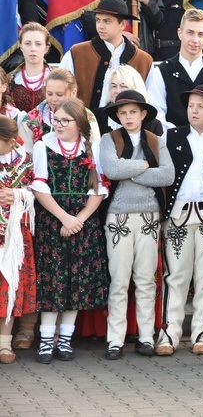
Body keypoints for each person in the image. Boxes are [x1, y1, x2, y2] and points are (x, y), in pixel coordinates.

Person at [30, 98, 109, 364]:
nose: (59, 124)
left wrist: (80, 219)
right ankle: (45, 340)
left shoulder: (92, 148)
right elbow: (39, 188)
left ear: (80, 123)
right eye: (56, 119)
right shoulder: (43, 146)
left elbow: (98, 188)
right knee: (52, 280)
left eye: (66, 120)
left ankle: (65, 339)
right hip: (53, 220)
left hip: (82, 223)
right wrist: (64, 217)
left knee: (77, 280)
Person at [99, 91, 174, 360]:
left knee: (145, 280)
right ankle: (115, 340)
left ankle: (145, 337)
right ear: (117, 116)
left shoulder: (156, 141)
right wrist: (143, 166)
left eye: (133, 112)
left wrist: (130, 170)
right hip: (118, 216)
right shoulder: (109, 139)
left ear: (143, 114)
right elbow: (110, 170)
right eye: (122, 113)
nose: (128, 117)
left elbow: (167, 175)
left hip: (149, 217)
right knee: (118, 279)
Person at [157, 86, 203, 356]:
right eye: (191, 105)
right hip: (177, 214)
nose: (194, 110)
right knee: (175, 275)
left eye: (201, 106)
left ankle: (202, 331)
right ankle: (168, 333)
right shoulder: (171, 136)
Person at [146, 8, 203, 135]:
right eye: (190, 33)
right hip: (171, 146)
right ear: (179, 33)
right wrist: (178, 138)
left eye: (201, 34)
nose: (195, 40)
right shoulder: (161, 71)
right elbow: (157, 113)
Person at [60, 0, 154, 114]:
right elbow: (62, 92)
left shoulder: (144, 60)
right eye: (98, 20)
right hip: (86, 127)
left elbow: (151, 100)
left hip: (128, 128)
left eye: (107, 21)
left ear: (122, 25)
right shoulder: (77, 54)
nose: (100, 26)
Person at [0, 116, 36, 364]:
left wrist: (18, 194)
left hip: (13, 233)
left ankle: (4, 343)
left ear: (11, 142)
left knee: (9, 283)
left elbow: (37, 190)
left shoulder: (25, 162)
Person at [18, 69, 101, 154]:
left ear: (73, 93)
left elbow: (95, 149)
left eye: (59, 94)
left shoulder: (86, 116)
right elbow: (25, 155)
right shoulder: (31, 120)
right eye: (49, 94)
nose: (53, 99)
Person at [98, 65, 163, 136]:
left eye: (123, 86)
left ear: (136, 88)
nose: (117, 91)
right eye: (114, 86)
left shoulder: (153, 125)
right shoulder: (97, 116)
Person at [4, 23, 52, 113]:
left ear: (46, 48)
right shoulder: (10, 80)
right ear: (21, 47)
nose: (33, 48)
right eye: (27, 44)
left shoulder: (57, 78)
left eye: (38, 44)